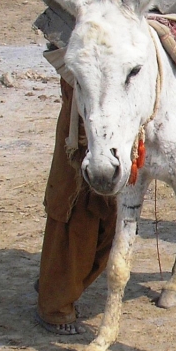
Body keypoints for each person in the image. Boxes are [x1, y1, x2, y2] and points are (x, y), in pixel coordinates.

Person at [34, 78, 117, 334]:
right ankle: (54, 307)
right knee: (75, 211)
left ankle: (57, 285)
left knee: (110, 215)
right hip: (81, 125)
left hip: (110, 118)